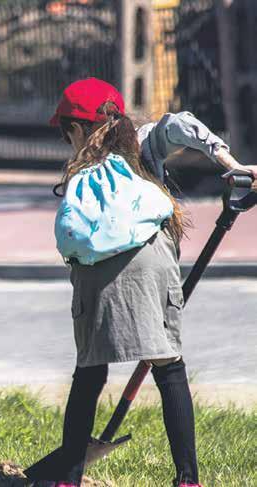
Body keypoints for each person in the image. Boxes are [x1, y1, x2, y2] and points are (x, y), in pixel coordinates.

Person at [40, 78, 257, 487]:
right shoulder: (140, 142)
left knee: (89, 370)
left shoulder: (84, 166)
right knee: (168, 366)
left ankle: (67, 478)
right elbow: (183, 124)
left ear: (75, 128)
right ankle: (188, 479)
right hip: (150, 263)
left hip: (93, 271)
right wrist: (231, 164)